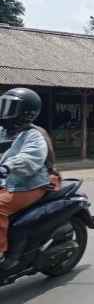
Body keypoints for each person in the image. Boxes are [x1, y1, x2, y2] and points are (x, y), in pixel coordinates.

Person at [0, 88, 55, 267]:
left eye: (9, 106)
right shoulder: (3, 131)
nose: (3, 110)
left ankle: (2, 253)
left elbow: (29, 158)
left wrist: (7, 167)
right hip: (6, 181)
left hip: (28, 184)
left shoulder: (34, 135)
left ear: (25, 113)